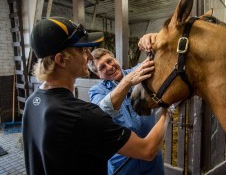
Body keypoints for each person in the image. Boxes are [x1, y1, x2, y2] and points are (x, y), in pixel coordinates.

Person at [22, 17, 170, 175]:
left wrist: (156, 41)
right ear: (61, 60)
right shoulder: (81, 115)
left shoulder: (33, 102)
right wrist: (167, 108)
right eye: (82, 50)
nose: (89, 56)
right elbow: (147, 149)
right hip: (125, 165)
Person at [88, 45, 163, 174]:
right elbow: (102, 114)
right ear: (98, 74)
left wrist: (153, 41)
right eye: (102, 67)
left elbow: (161, 59)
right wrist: (127, 82)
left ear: (115, 59)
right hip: (123, 161)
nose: (109, 67)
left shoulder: (138, 71)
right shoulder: (97, 91)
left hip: (152, 154)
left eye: (109, 61)